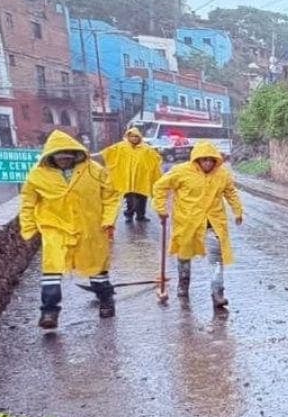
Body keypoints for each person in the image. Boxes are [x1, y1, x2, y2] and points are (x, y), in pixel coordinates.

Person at [19, 130, 120, 329]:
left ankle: (106, 300)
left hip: (89, 227)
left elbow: (111, 196)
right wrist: (29, 228)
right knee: (52, 270)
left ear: (75, 154)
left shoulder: (94, 170)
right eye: (59, 155)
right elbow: (27, 203)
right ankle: (49, 312)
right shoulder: (37, 175)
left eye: (68, 155)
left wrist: (108, 220)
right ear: (51, 156)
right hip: (55, 228)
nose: (64, 159)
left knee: (97, 269)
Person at [152, 141, 244, 312]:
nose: (208, 163)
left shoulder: (222, 174)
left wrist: (238, 211)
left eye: (211, 160)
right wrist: (161, 209)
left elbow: (230, 192)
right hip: (188, 223)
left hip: (213, 223)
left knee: (216, 259)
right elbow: (159, 187)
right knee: (184, 255)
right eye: (204, 160)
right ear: (197, 160)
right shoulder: (181, 172)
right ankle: (183, 284)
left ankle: (217, 293)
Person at [101, 126, 164, 223]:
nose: (134, 138)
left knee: (142, 198)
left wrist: (157, 162)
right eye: (132, 136)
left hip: (141, 179)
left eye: (136, 136)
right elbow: (107, 153)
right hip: (127, 178)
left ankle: (141, 216)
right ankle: (129, 215)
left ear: (140, 137)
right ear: (128, 137)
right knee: (129, 199)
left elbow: (155, 158)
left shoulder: (146, 149)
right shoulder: (121, 147)